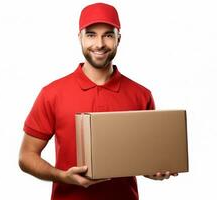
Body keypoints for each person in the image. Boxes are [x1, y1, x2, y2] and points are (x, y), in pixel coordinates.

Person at [19, 2, 178, 200]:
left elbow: (143, 159)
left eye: (108, 35)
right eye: (91, 34)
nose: (100, 44)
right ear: (80, 38)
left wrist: (153, 171)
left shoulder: (141, 95)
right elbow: (26, 156)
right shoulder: (52, 93)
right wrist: (62, 176)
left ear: (119, 38)